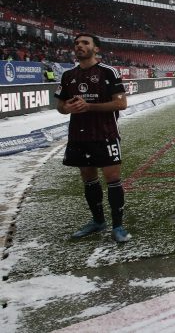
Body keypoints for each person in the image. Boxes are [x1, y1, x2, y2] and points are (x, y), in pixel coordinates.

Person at [55, 33, 130, 242]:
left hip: (105, 134)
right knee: (89, 180)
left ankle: (118, 226)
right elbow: (60, 106)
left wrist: (89, 106)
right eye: (77, 43)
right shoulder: (68, 75)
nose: (79, 46)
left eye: (85, 43)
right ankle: (98, 221)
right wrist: (66, 107)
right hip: (79, 136)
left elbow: (120, 104)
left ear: (96, 49)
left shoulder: (109, 72)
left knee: (112, 179)